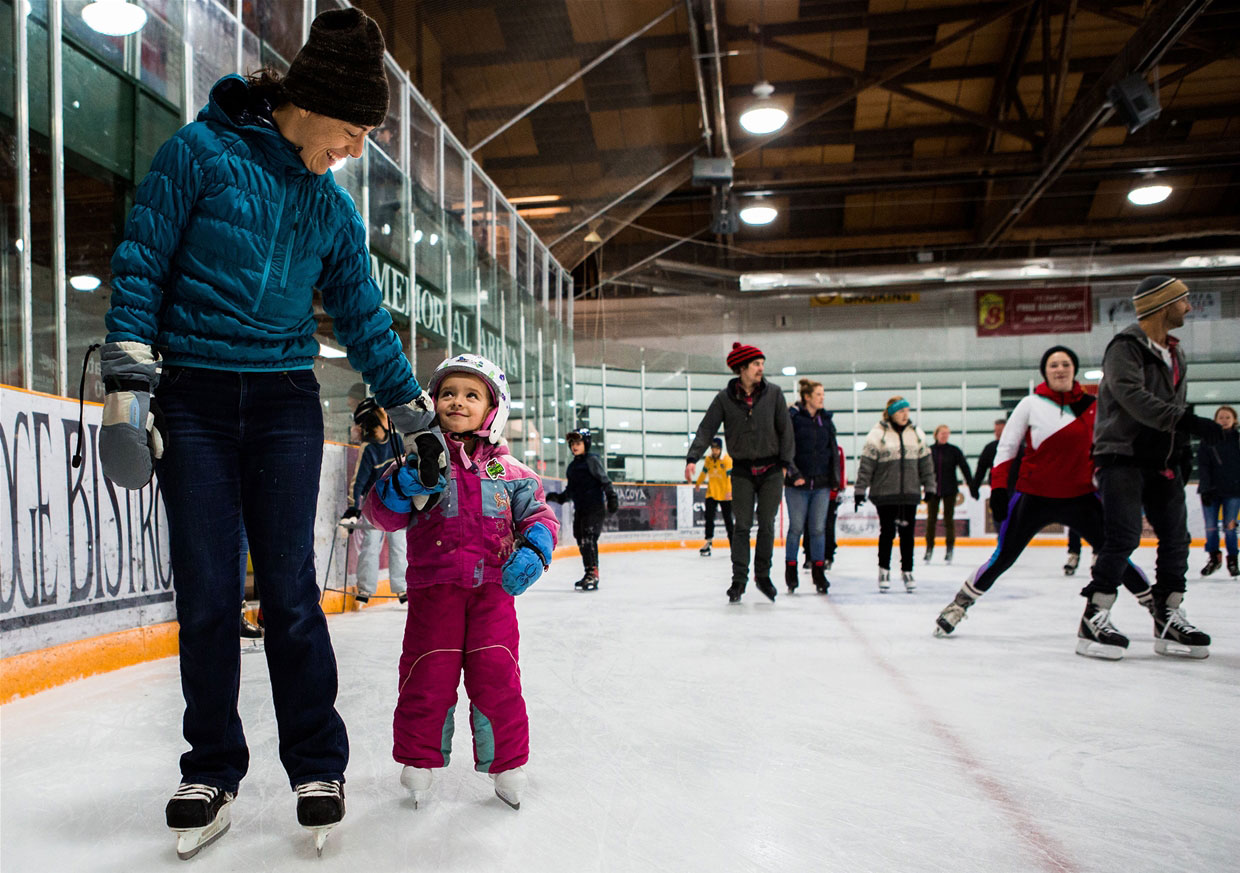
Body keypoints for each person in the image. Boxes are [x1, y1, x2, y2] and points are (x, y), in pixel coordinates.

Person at [98, 8, 447, 857]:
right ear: (317, 101)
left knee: (290, 589)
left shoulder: (329, 208)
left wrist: (412, 411)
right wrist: (128, 388)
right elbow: (142, 262)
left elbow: (363, 316)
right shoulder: (200, 155)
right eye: (355, 130)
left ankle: (316, 763)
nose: (356, 150)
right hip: (197, 401)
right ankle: (211, 768)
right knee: (210, 593)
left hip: (286, 401)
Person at [362, 354, 558, 811]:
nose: (457, 401)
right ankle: (419, 762)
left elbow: (541, 518)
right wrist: (401, 487)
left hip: (494, 594)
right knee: (427, 675)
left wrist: (536, 549)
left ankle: (508, 763)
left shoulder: (514, 474)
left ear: (493, 408)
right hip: (435, 596)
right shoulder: (419, 463)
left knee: (498, 677)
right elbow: (381, 515)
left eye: (472, 394)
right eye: (447, 393)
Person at [933, 346, 1154, 658]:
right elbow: (1006, 449)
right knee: (1002, 558)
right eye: (1053, 365)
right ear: (1045, 371)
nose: (1060, 369)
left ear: (1074, 369)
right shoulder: (1030, 404)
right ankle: (958, 606)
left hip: (1082, 497)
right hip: (1034, 497)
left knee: (1115, 557)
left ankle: (1156, 609)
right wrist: (998, 490)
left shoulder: (1094, 406)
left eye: (1065, 364)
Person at [1092, 276, 1223, 658]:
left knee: (1177, 539)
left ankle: (1168, 615)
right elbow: (1133, 397)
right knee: (1123, 538)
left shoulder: (1175, 353)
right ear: (1162, 306)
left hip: (1161, 462)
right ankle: (1095, 613)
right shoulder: (1125, 349)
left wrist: (1181, 448)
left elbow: (1168, 407)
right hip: (1121, 457)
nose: (1189, 307)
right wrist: (1186, 422)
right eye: (1182, 301)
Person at [685, 343, 795, 603]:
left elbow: (786, 431)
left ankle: (763, 576)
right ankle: (739, 580)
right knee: (742, 526)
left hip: (771, 471)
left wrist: (785, 465)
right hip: (743, 470)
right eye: (756, 364)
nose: (761, 368)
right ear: (742, 368)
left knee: (766, 524)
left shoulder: (774, 394)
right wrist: (693, 458)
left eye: (762, 364)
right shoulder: (725, 399)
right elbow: (706, 429)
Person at [854, 397, 935, 592]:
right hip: (885, 493)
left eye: (907, 410)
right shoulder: (877, 435)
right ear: (891, 413)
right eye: (900, 411)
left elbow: (926, 465)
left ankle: (907, 570)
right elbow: (866, 466)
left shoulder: (917, 435)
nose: (905, 414)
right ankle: (884, 569)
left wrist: (930, 486)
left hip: (910, 492)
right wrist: (860, 489)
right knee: (888, 532)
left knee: (908, 534)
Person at [342, 399, 408, 606]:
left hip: (397, 502)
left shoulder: (397, 440)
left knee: (399, 545)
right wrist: (353, 509)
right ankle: (365, 588)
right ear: (373, 422)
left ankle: (402, 588)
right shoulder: (369, 449)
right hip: (375, 504)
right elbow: (358, 482)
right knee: (371, 544)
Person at [783, 379, 839, 595]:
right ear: (807, 397)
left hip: (821, 484)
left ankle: (819, 572)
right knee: (796, 528)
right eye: (818, 394)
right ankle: (791, 571)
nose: (822, 398)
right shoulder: (794, 419)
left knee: (818, 530)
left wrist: (834, 478)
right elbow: (785, 449)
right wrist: (794, 474)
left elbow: (832, 449)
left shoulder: (826, 420)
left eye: (823, 394)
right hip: (798, 485)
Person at [545, 428, 618, 590]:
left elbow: (605, 480)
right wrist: (559, 498)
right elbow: (571, 490)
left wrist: (612, 497)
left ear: (586, 444)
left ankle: (593, 574)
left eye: (578, 443)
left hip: (595, 508)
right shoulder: (572, 467)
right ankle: (588, 572)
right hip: (580, 509)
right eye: (572, 444)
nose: (574, 447)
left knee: (589, 538)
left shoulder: (592, 461)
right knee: (580, 538)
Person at [924, 425, 977, 564]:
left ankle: (949, 549)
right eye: (942, 433)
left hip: (950, 490)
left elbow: (964, 467)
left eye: (947, 434)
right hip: (933, 489)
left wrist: (971, 484)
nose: (945, 436)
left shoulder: (953, 450)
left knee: (949, 520)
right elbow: (922, 468)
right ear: (936, 434)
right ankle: (929, 549)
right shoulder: (930, 451)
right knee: (931, 520)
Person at [1198, 405, 1240, 578]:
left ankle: (1233, 559)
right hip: (1211, 491)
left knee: (1230, 527)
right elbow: (1203, 465)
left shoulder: (1237, 440)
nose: (1224, 420)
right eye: (1221, 417)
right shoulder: (1208, 439)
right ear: (1215, 420)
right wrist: (1206, 487)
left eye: (1227, 417)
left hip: (1234, 491)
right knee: (1210, 527)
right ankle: (1214, 557)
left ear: (1234, 420)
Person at [695, 437, 734, 557]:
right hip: (711, 493)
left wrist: (729, 491)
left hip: (725, 494)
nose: (714, 451)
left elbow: (729, 477)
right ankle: (708, 542)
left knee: (728, 520)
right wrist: (698, 483)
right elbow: (704, 472)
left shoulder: (727, 460)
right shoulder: (708, 459)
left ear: (721, 449)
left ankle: (734, 546)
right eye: (713, 448)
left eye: (716, 449)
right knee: (709, 518)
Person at [972, 418, 1008, 528]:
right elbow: (981, 469)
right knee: (997, 514)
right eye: (996, 430)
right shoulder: (990, 448)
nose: (997, 433)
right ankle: (1001, 540)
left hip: (1013, 488)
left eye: (1000, 430)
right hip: (996, 488)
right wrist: (975, 486)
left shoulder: (1017, 447)